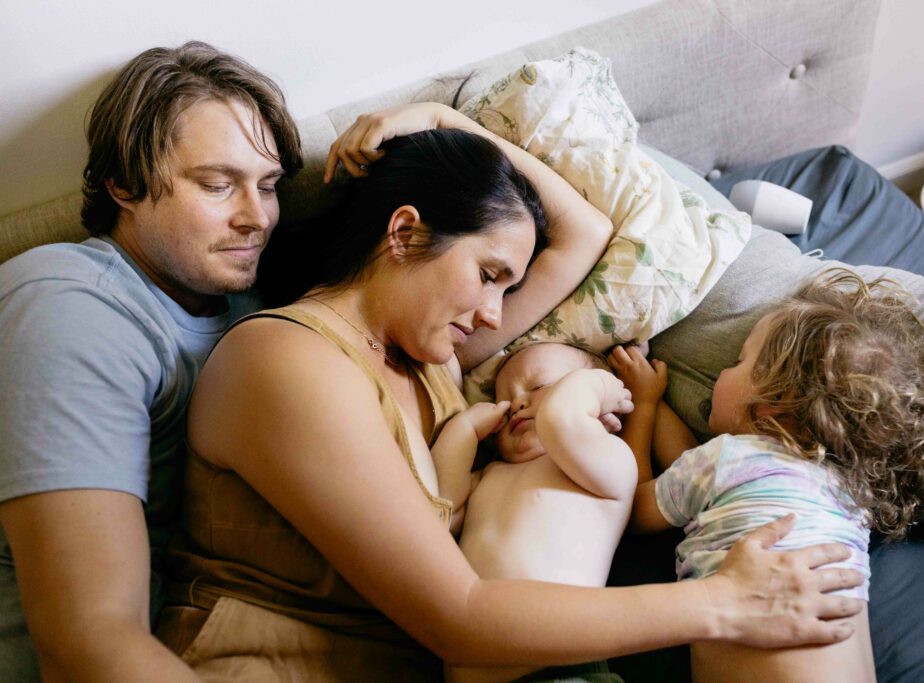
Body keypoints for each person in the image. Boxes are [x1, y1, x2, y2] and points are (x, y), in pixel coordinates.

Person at [155, 102, 864, 680]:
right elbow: (458, 613)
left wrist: (439, 118)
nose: (497, 316)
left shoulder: (431, 359)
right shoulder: (288, 361)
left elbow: (585, 232)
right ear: (404, 233)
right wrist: (721, 603)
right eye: (489, 273)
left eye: (508, 287)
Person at [0, 42, 302, 681]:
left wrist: (445, 126)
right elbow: (85, 642)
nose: (256, 218)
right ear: (124, 186)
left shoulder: (251, 315)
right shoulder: (70, 305)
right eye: (218, 185)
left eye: (269, 186)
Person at [615, 268, 924, 683]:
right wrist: (656, 402)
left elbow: (634, 510)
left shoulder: (728, 460)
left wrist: (643, 405)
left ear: (774, 400)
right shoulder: (850, 493)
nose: (724, 373)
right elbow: (698, 478)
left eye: (739, 362)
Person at [433, 342, 638, 683]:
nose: (515, 404)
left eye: (539, 387)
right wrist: (464, 429)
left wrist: (602, 384)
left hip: (561, 667)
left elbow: (561, 418)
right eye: (504, 398)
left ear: (604, 411)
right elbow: (441, 513)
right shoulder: (489, 475)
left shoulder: (611, 464)